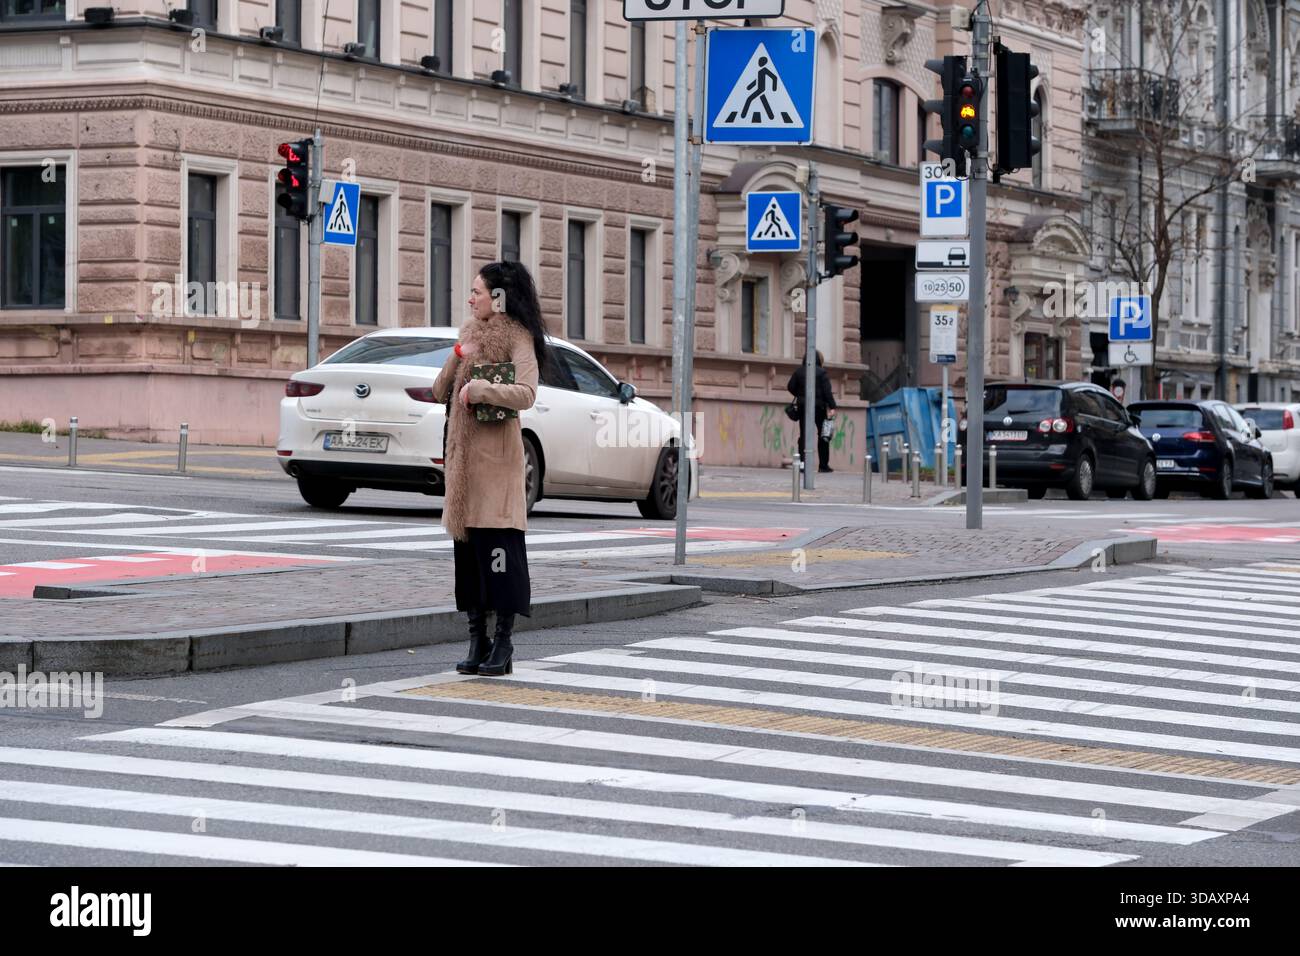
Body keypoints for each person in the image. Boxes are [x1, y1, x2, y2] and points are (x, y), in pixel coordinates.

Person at [433, 260, 546, 677]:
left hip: (497, 467)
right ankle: (476, 638)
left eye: (477, 291)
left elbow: (527, 393)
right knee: (470, 561)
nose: (470, 298)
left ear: (497, 297)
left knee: (499, 558)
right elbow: (438, 390)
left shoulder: (518, 337)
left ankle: (503, 644)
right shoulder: (467, 336)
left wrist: (481, 388)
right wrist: (459, 355)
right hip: (463, 468)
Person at [787, 350, 837, 473]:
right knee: (823, 435)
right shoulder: (822, 372)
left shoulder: (799, 372)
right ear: (819, 360)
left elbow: (790, 386)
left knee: (804, 435)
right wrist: (832, 406)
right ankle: (823, 465)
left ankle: (803, 465)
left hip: (803, 407)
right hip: (819, 407)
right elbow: (827, 392)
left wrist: (800, 395)